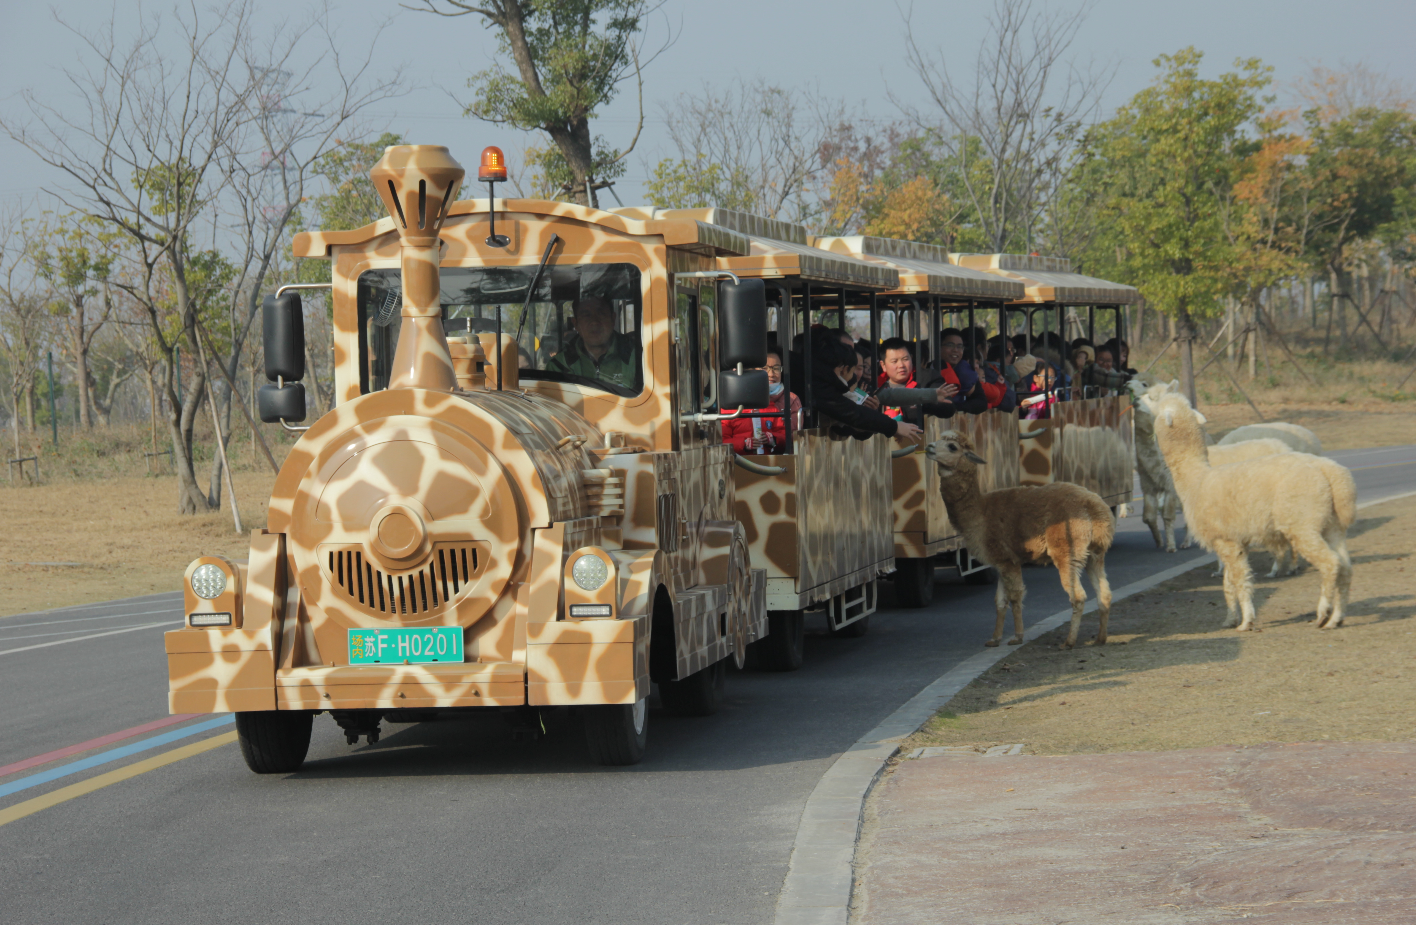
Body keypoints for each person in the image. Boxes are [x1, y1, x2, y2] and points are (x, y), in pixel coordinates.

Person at [811, 336, 923, 441]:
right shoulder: (822, 389)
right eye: (854, 370)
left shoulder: (824, 383)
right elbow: (851, 414)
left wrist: (870, 413)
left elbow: (851, 426)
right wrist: (894, 426)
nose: (855, 377)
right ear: (843, 369)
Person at [545, 296, 641, 390]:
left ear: (613, 319)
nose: (594, 322)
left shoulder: (638, 358)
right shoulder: (559, 365)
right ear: (576, 324)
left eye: (601, 314)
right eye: (586, 315)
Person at [874, 337, 957, 421]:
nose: (901, 365)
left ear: (911, 358)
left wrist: (924, 403)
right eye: (894, 361)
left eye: (905, 359)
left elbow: (948, 408)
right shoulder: (875, 385)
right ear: (883, 365)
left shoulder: (928, 377)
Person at [927, 328, 987, 415]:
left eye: (959, 346)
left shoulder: (966, 372)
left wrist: (957, 408)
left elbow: (981, 402)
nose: (955, 350)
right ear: (938, 347)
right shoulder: (929, 370)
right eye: (950, 345)